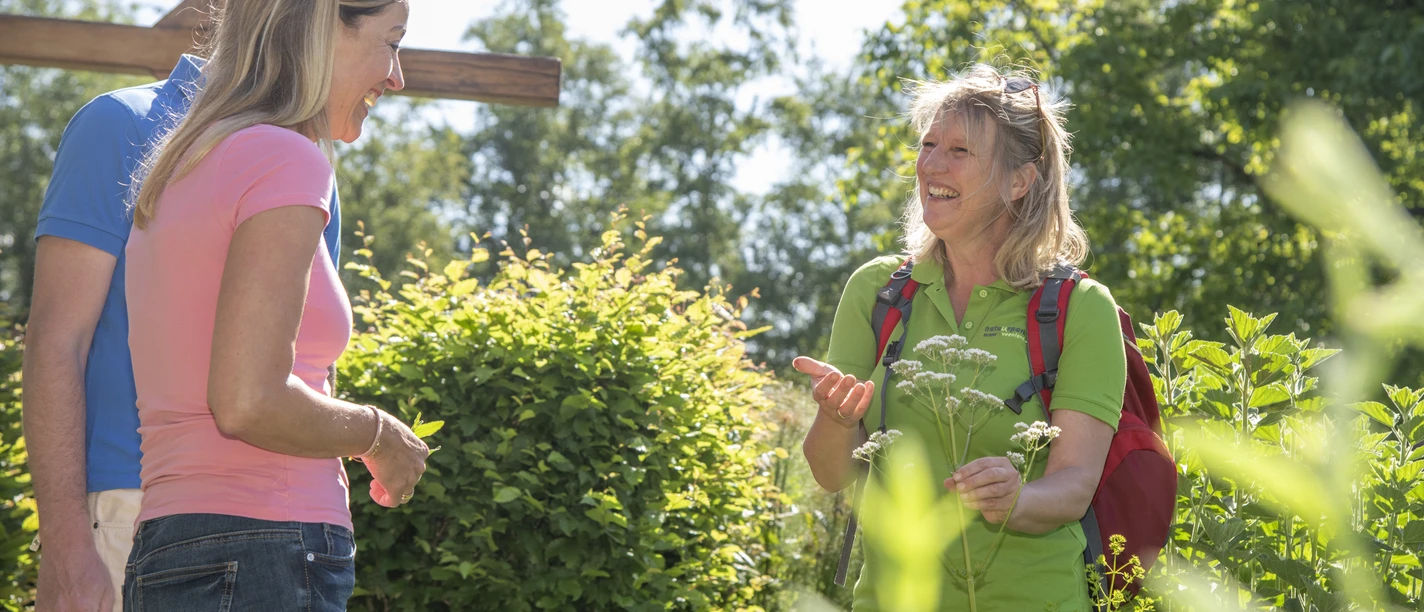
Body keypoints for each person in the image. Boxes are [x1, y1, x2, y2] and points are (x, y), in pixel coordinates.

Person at [120, 0, 428, 608]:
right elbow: (246, 403)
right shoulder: (284, 160)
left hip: (170, 548)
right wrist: (379, 434)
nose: (397, 76)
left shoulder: (187, 162)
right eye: (391, 41)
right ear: (322, 30)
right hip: (265, 549)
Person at [23, 46, 345, 612]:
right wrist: (68, 552)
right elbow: (56, 340)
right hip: (128, 513)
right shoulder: (118, 124)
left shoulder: (304, 162)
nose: (395, 76)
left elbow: (309, 368)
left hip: (280, 535)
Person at [795, 64, 1127, 611]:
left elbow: (1074, 486)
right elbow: (830, 474)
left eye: (959, 151)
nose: (931, 164)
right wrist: (836, 419)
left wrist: (1017, 499)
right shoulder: (876, 294)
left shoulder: (1080, 308)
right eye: (928, 145)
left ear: (1019, 180)